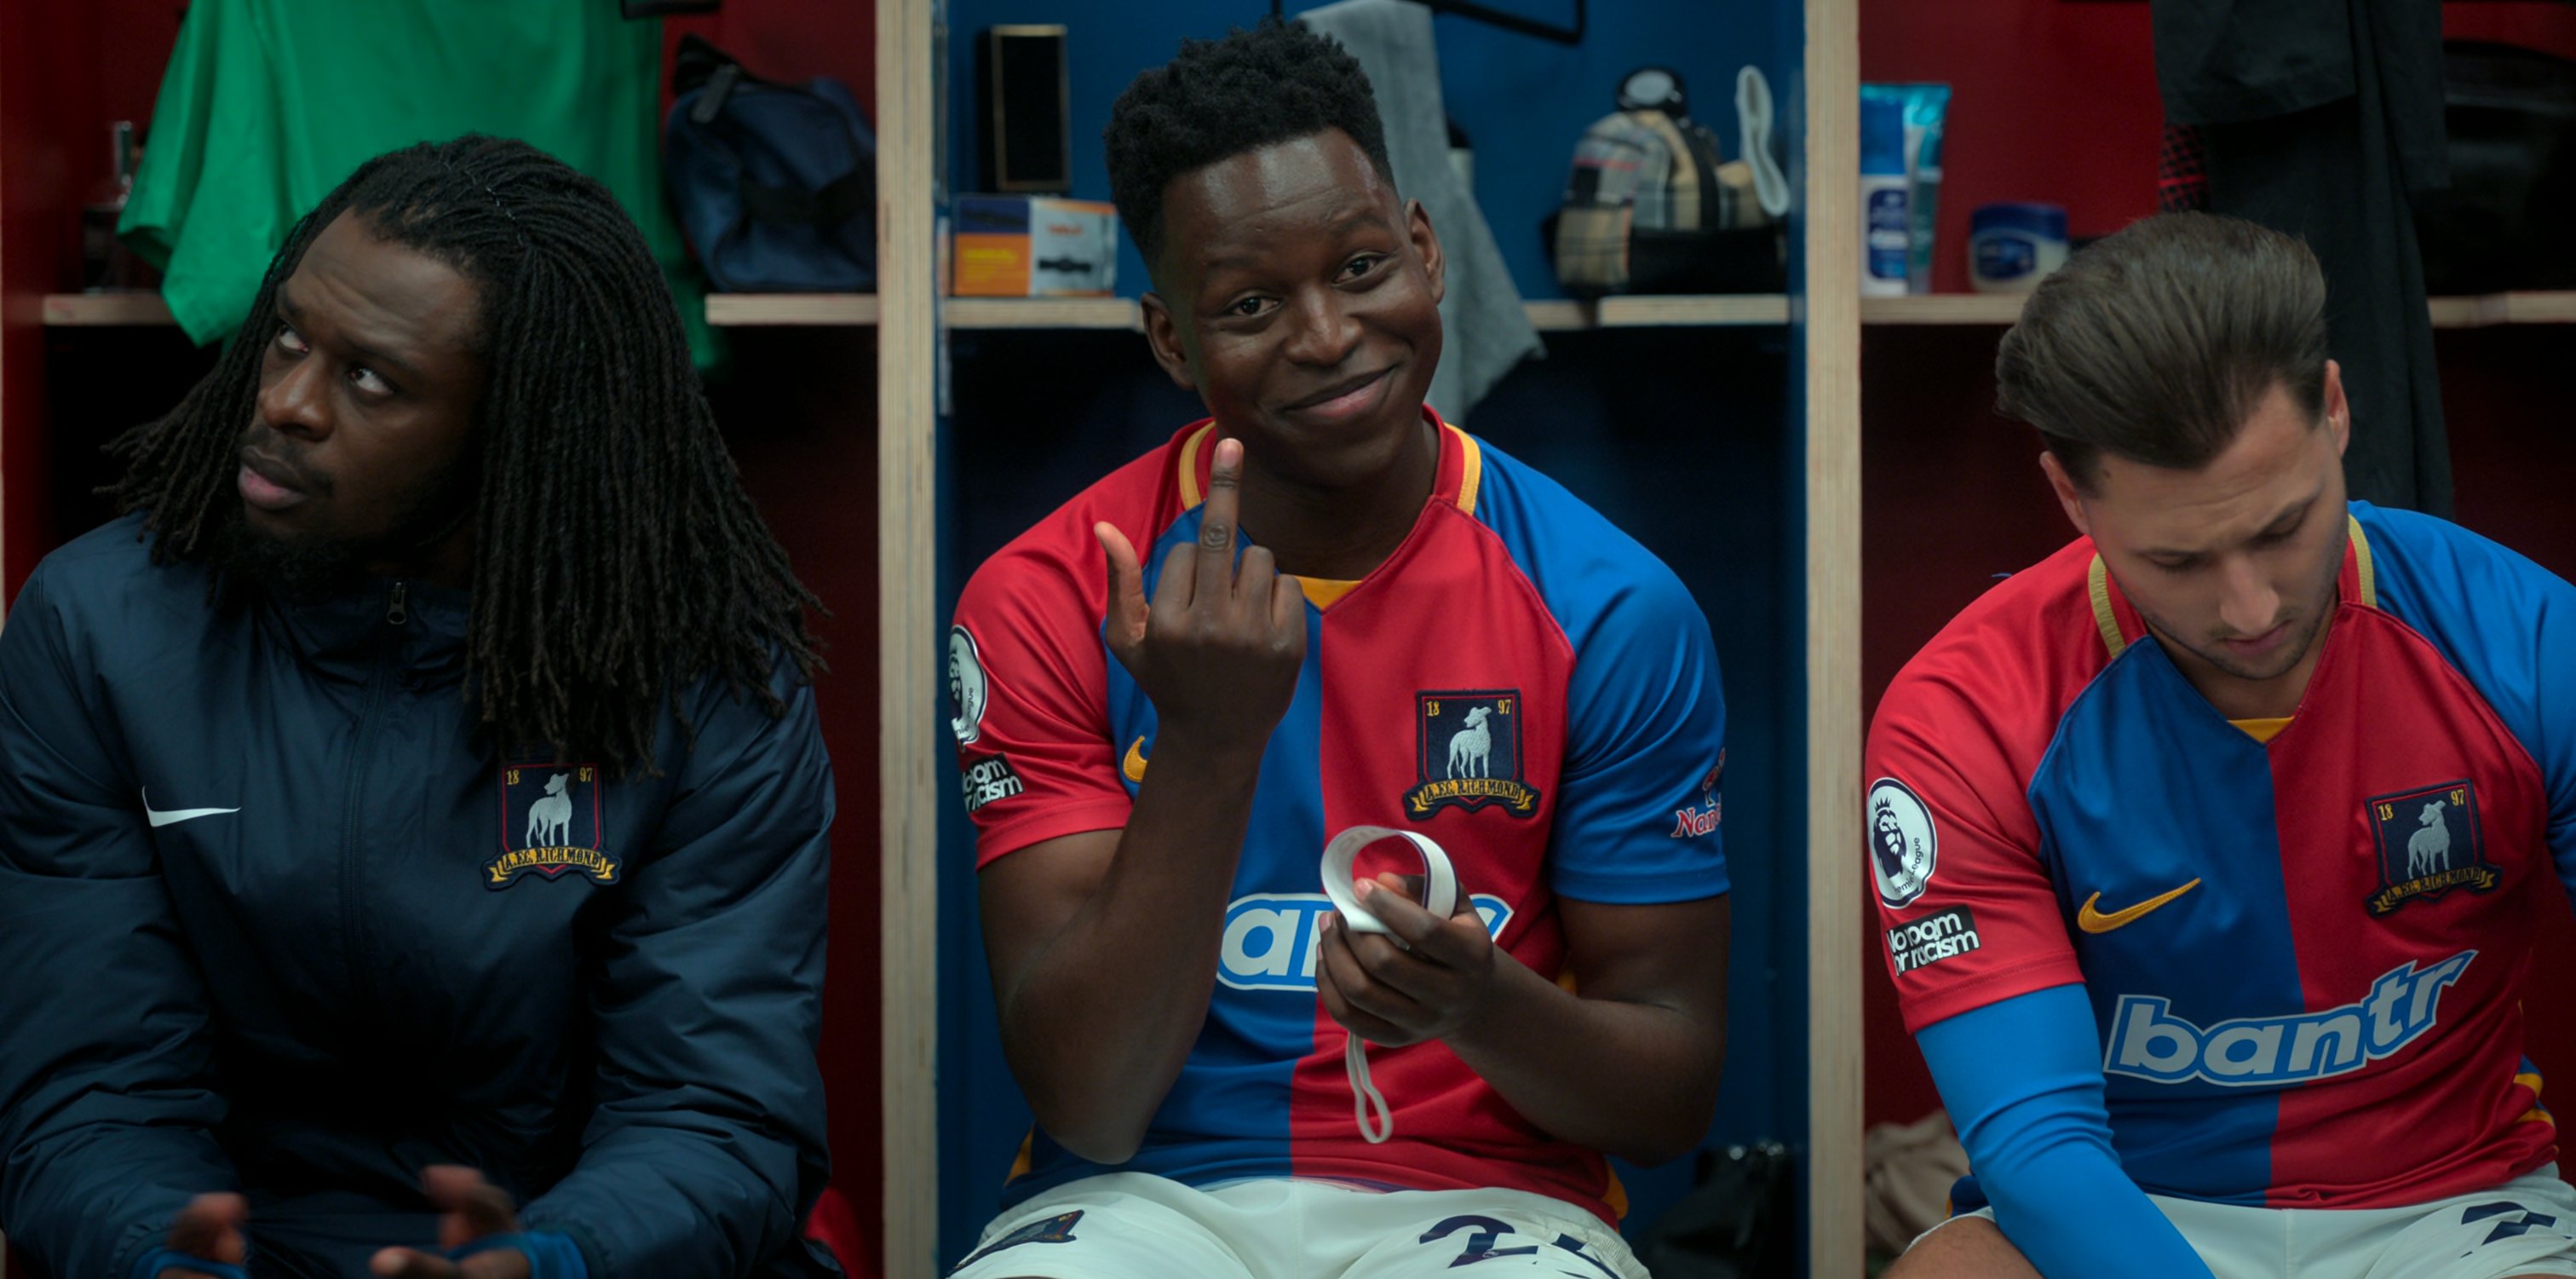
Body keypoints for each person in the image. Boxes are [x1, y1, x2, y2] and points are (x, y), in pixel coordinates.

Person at [944, 22, 1732, 1279]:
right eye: (1250, 305)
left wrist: (1477, 1002)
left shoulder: (1607, 606)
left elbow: (1669, 1096)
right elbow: (1090, 1100)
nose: (1325, 334)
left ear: (1426, 249)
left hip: (1488, 1204)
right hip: (1144, 1201)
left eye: (1362, 267)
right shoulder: (1048, 596)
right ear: (1170, 340)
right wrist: (1208, 743)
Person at [0, 136, 838, 1279]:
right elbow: (89, 1081)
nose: (285, 401)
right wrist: (161, 1256)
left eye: (370, 380)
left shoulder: (707, 690)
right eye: (289, 336)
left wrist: (551, 1259)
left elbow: (711, 1110)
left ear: (515, 435)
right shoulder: (97, 630)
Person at [1868, 211, 2576, 1279]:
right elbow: (2040, 1154)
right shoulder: (1964, 715)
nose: (2250, 607)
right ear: (2071, 496)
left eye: (2282, 528)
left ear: (2334, 409)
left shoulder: (2527, 641)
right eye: (2179, 559)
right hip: (2127, 1208)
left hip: (2455, 1209)